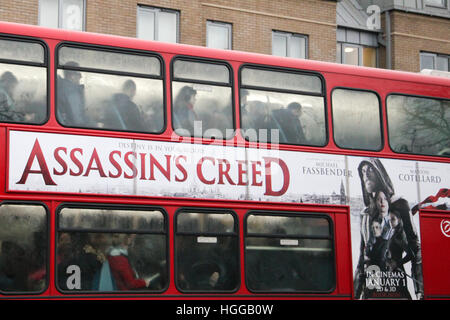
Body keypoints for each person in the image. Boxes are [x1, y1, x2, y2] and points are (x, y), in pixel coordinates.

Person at [354, 158, 423, 299]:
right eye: (363, 171)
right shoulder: (365, 214)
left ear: (380, 173)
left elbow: (416, 249)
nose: (365, 174)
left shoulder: (400, 205)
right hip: (372, 277)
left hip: (395, 278)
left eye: (370, 170)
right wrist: (355, 293)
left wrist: (420, 290)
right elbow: (363, 256)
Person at [57, 62, 89, 126]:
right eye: (79, 74)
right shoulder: (71, 91)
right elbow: (77, 119)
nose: (81, 77)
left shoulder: (62, 87)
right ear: (72, 76)